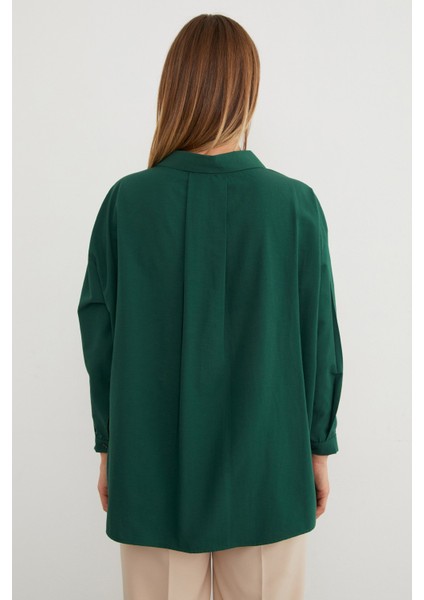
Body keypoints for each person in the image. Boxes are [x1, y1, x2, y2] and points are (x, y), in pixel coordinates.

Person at [77, 13, 344, 600]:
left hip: (151, 471)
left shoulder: (127, 203)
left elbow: (100, 336)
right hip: (270, 471)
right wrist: (318, 448)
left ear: (173, 89)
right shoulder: (295, 207)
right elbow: (319, 337)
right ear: (248, 91)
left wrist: (110, 444)